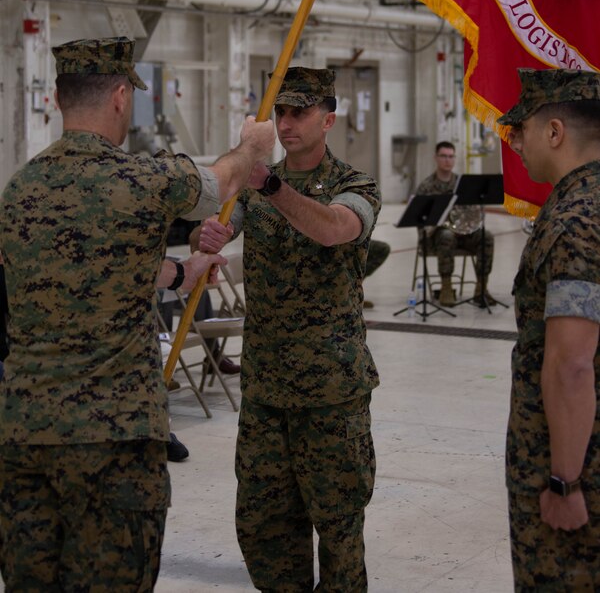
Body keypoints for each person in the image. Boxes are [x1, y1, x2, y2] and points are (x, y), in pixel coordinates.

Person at [0, 36, 274, 591]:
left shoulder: (18, 190)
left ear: (56, 98)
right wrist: (252, 146)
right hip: (115, 442)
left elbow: (91, 268)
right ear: (121, 96)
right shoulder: (141, 181)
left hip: (24, 437)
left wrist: (181, 271)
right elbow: (220, 181)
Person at [196, 66, 381, 593]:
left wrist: (272, 185)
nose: (287, 122)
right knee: (264, 524)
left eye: (299, 112)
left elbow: (333, 229)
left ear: (329, 120)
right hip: (266, 388)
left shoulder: (354, 184)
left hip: (330, 391)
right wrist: (204, 237)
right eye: (281, 112)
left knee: (339, 525)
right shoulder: (255, 187)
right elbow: (216, 228)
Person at [499, 68, 600, 590]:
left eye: (524, 130)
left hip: (575, 465)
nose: (515, 143)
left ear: (555, 132)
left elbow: (571, 363)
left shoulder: (575, 221)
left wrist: (565, 481)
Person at [415, 141, 494, 307]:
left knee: (486, 236)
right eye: (443, 156)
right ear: (436, 158)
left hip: (464, 233)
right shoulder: (426, 186)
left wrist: (469, 223)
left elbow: (472, 213)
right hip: (437, 236)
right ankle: (446, 287)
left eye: (451, 156)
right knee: (446, 235)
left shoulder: (463, 184)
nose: (447, 160)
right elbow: (420, 220)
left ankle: (481, 289)